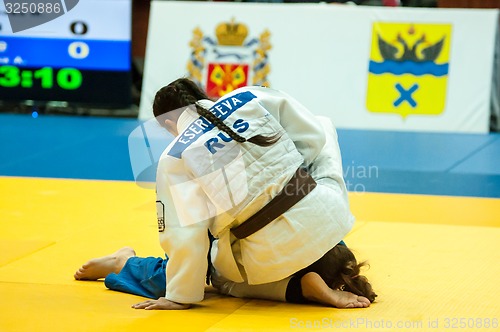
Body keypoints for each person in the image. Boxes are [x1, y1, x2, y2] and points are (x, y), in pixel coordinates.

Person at [75, 78, 377, 309]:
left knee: (218, 277)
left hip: (265, 252)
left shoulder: (173, 157)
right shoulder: (249, 96)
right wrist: (296, 170)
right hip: (324, 212)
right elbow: (313, 133)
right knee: (323, 132)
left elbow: (187, 239)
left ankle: (127, 265)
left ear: (168, 123)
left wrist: (180, 296)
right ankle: (328, 266)